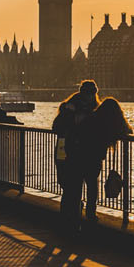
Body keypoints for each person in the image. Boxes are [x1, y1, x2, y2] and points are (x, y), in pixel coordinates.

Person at [51, 80, 101, 232]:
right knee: (75, 188)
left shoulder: (95, 110)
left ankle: (84, 216)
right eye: (88, 93)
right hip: (74, 154)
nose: (90, 96)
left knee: (89, 186)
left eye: (92, 93)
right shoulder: (71, 107)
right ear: (83, 93)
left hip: (88, 154)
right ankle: (73, 219)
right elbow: (57, 127)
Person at [77, 98, 133, 223]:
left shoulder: (92, 118)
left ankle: (76, 207)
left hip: (79, 154)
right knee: (92, 185)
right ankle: (90, 213)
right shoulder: (111, 123)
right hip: (94, 157)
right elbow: (127, 130)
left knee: (77, 184)